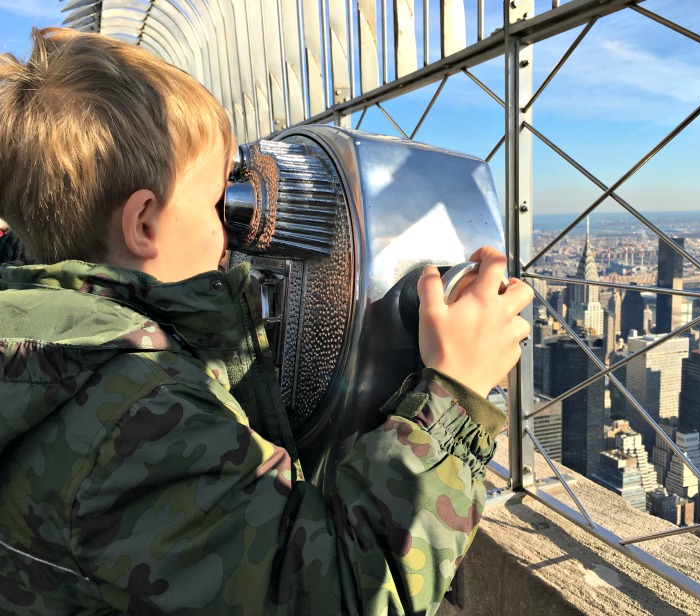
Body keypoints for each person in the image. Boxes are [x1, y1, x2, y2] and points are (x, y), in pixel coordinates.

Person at [0, 27, 533, 615]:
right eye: (216, 201)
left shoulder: (41, 348)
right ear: (143, 224)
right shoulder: (138, 416)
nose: (236, 231)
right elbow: (344, 595)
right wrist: (456, 393)